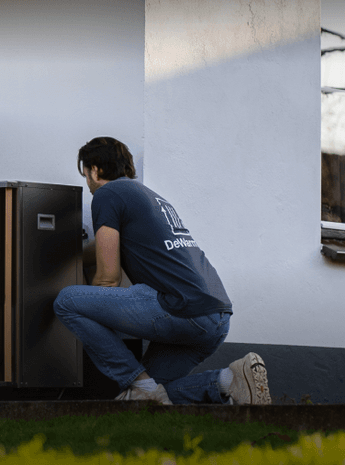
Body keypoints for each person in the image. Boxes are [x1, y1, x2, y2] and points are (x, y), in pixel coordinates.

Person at [54, 137, 269, 405]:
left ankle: (139, 383)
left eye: (86, 176)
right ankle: (229, 381)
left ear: (94, 170)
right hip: (216, 316)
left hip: (180, 308)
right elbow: (113, 245)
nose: (88, 184)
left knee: (66, 301)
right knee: (149, 397)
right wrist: (72, 252)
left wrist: (100, 315)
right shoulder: (147, 196)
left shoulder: (107, 194)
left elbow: (108, 278)